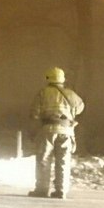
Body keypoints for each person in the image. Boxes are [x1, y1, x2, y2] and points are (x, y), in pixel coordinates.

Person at [29, 66, 85, 199]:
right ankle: (61, 191)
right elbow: (81, 108)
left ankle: (42, 190)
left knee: (44, 159)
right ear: (62, 79)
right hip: (67, 131)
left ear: (48, 78)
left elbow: (34, 114)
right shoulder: (71, 94)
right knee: (63, 161)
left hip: (48, 130)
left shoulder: (43, 93)